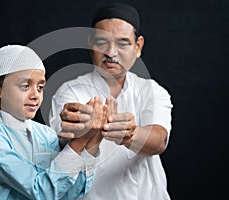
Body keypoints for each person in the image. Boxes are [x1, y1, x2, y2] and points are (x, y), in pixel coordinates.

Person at [49, 3, 173, 200]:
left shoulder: (151, 90)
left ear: (138, 46)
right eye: (101, 42)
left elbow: (159, 140)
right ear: (90, 43)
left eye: (122, 43)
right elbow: (60, 141)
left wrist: (130, 135)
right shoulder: (70, 91)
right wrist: (77, 129)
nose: (111, 53)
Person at [0, 44, 107, 200]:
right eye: (25, 86)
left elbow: (69, 193)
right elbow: (42, 192)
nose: (35, 95)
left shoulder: (46, 134)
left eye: (40, 87)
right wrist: (78, 143)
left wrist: (92, 141)